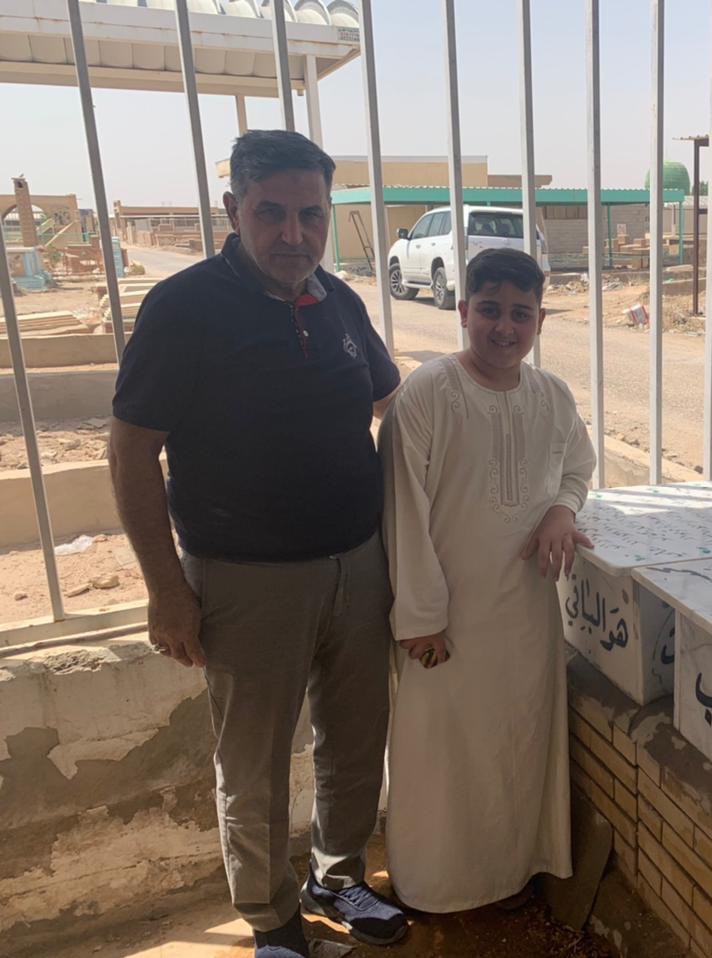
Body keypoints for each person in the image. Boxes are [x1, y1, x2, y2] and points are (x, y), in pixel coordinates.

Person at [108, 130, 407, 958]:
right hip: (244, 579)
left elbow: (395, 405)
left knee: (356, 742)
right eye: (271, 213)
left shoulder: (338, 302)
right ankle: (272, 919)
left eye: (312, 215)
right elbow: (130, 452)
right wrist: (167, 591)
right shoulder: (184, 309)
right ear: (232, 209)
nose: (293, 234)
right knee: (255, 765)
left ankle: (338, 876)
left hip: (359, 565)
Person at [380, 246, 596, 911]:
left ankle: (509, 874)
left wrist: (562, 510)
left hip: (525, 617)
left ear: (540, 321)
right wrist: (421, 621)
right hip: (445, 625)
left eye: (521, 314)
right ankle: (436, 888)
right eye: (491, 310)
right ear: (463, 310)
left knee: (515, 745)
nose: (505, 327)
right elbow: (403, 512)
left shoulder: (552, 395)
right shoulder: (426, 393)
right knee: (441, 755)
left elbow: (577, 468)